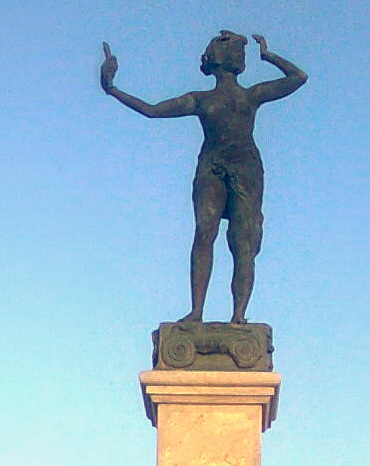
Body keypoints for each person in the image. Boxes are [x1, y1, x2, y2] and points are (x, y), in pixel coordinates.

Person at [100, 31, 307, 324]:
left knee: (242, 242)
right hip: (212, 167)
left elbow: (299, 77)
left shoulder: (252, 96)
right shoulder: (201, 100)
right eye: (236, 51)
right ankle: (196, 312)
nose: (240, 56)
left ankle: (239, 317)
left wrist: (269, 55)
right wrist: (112, 88)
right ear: (218, 60)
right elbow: (152, 111)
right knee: (204, 232)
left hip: (245, 170)